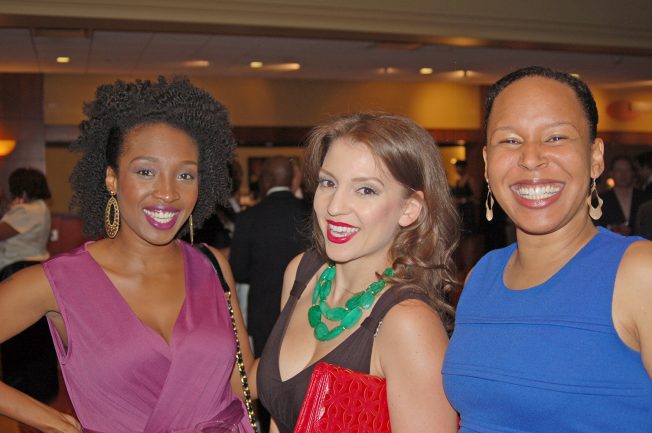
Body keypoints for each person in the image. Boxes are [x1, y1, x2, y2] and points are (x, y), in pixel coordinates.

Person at [0, 77, 255, 433]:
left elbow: (242, 384)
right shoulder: (56, 283)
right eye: (146, 171)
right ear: (111, 178)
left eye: (185, 175)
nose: (168, 192)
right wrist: (52, 421)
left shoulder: (212, 265)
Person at [443, 66, 652, 432]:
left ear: (595, 157)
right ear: (488, 165)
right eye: (510, 141)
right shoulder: (480, 277)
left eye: (556, 137)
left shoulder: (639, 273)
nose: (531, 157)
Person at [256, 112, 460, 433]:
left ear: (409, 208)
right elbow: (278, 412)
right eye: (328, 183)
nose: (334, 207)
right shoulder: (301, 272)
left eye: (365, 190)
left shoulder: (408, 323)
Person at [229, 156, 311, 433]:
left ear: (264, 181)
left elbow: (238, 270)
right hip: (306, 310)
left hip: (263, 313)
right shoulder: (310, 214)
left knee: (264, 377)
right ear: (294, 180)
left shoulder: (249, 217)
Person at [0, 168, 59, 411]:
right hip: (33, 269)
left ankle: (24, 391)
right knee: (36, 335)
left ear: (21, 188)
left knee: (19, 336)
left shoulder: (26, 211)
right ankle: (41, 391)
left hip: (19, 270)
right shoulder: (39, 208)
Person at [599, 155, 651, 235]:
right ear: (611, 173)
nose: (623, 174)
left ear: (633, 173)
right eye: (618, 170)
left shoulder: (646, 198)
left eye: (627, 170)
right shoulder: (601, 200)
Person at [450, 159, 482, 279]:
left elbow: (477, 196)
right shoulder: (458, 181)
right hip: (459, 213)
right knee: (461, 241)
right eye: (456, 167)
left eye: (459, 167)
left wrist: (463, 200)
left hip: (468, 212)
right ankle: (464, 269)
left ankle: (469, 269)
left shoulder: (470, 180)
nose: (458, 170)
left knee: (469, 241)